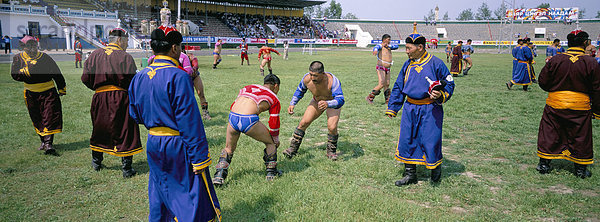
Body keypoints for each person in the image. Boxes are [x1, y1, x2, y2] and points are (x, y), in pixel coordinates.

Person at [129, 28, 221, 221]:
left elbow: (134, 115)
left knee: (160, 189)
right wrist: (199, 157)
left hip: (153, 141)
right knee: (188, 193)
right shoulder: (178, 76)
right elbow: (189, 121)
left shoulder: (139, 77)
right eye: (180, 47)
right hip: (177, 145)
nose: (180, 51)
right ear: (173, 48)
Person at [385, 24, 455, 186]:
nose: (406, 51)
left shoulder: (436, 63)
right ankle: (410, 174)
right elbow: (399, 86)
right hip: (410, 108)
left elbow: (449, 83)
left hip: (430, 108)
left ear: (420, 47)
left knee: (431, 139)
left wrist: (441, 94)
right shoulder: (407, 65)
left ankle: (435, 172)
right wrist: (393, 107)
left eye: (409, 48)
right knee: (407, 139)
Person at [536, 30, 600, 179]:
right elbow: (597, 88)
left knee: (550, 132)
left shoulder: (556, 60)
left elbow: (543, 82)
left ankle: (544, 164)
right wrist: (597, 110)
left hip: (555, 103)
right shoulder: (591, 62)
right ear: (585, 43)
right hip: (580, 106)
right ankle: (580, 169)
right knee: (580, 136)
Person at [81, 28, 141, 177]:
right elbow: (132, 81)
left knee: (100, 127)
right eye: (126, 41)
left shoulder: (94, 55)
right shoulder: (125, 57)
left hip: (99, 97)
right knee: (125, 128)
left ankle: (96, 162)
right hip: (120, 97)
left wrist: (99, 88)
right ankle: (126, 168)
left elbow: (85, 78)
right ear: (120, 40)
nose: (127, 44)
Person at [213, 74, 282, 186]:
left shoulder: (247, 87)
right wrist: (275, 139)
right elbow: (274, 122)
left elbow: (235, 103)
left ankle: (218, 176)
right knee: (271, 143)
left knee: (229, 148)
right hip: (248, 119)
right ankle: (271, 174)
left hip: (233, 117)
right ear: (276, 86)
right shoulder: (274, 97)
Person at [11, 35, 65, 155]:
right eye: (28, 46)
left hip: (48, 91)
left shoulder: (45, 57)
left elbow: (56, 73)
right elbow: (14, 75)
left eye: (34, 46)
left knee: (49, 116)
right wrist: (23, 73)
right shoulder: (18, 59)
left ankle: (48, 143)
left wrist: (61, 88)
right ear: (23, 47)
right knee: (37, 117)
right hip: (30, 93)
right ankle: (43, 141)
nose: (32, 49)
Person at [283, 61, 345, 161]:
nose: (312, 78)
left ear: (323, 74)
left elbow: (340, 100)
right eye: (311, 74)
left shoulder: (332, 81)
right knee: (303, 122)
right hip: (317, 101)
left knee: (332, 127)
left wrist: (328, 103)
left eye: (315, 75)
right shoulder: (307, 79)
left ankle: (331, 152)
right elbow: (300, 91)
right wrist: (292, 103)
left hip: (332, 102)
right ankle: (292, 149)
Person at [148, 43, 212, 120]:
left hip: (193, 76)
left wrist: (193, 68)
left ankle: (205, 112)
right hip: (179, 78)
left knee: (200, 94)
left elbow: (189, 70)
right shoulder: (158, 57)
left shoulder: (186, 56)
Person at [366, 34, 399, 104]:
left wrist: (388, 46)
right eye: (388, 40)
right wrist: (375, 50)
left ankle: (387, 100)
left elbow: (396, 46)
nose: (389, 41)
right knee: (381, 83)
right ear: (384, 39)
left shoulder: (389, 46)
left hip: (388, 68)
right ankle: (370, 97)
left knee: (387, 84)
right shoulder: (380, 46)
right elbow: (376, 47)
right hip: (381, 67)